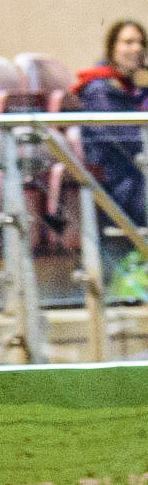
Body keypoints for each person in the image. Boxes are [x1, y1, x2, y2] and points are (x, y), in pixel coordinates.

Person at [73, 19, 148, 299]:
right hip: (118, 184)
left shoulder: (134, 88)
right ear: (112, 47)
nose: (136, 48)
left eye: (140, 42)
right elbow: (126, 140)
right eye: (128, 42)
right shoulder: (99, 90)